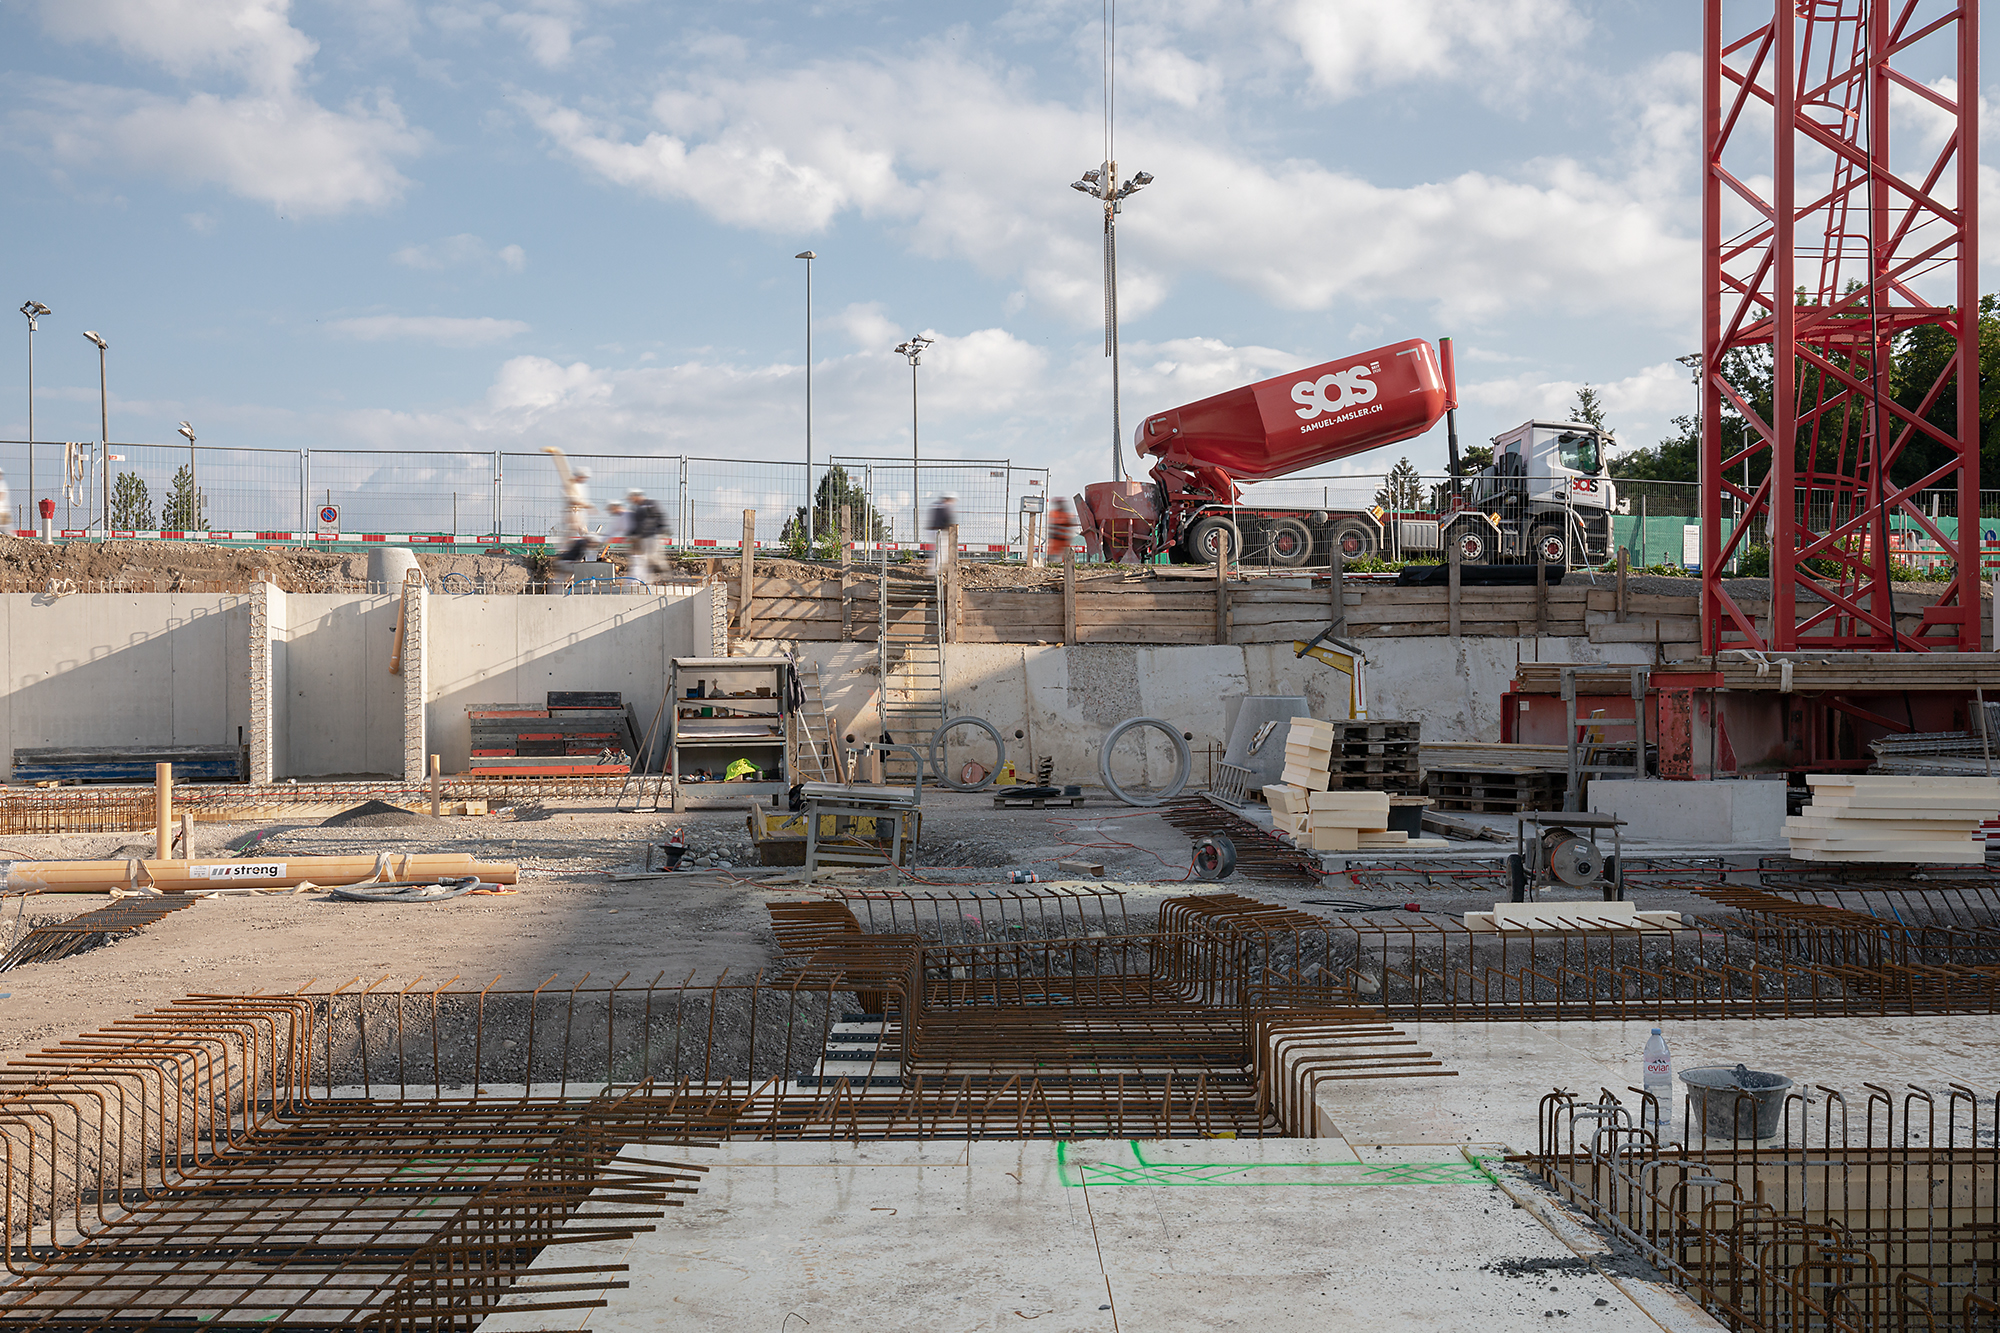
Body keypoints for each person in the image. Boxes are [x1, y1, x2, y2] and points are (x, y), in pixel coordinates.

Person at [628, 487, 668, 584]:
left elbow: (660, 516)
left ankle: (664, 574)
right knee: (645, 559)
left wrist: (662, 530)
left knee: (652, 557)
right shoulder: (637, 509)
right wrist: (633, 535)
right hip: (643, 538)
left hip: (652, 535)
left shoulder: (650, 504)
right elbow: (636, 524)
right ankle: (648, 580)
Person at [559, 466, 595, 563]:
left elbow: (581, 501)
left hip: (579, 514)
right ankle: (565, 558)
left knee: (586, 537)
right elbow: (570, 498)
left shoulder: (582, 487)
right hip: (571, 514)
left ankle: (589, 560)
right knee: (567, 538)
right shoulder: (569, 485)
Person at [925, 491, 959, 575]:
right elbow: (948, 519)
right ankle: (934, 571)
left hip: (933, 530)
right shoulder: (946, 507)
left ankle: (935, 569)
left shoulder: (937, 505)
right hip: (939, 531)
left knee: (938, 550)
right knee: (940, 551)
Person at [1046, 495, 1079, 562]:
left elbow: (1072, 523)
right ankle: (1051, 564)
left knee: (1066, 555)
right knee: (1052, 555)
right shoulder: (1055, 513)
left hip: (1064, 540)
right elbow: (1054, 524)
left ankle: (1065, 565)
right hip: (1056, 540)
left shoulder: (1067, 514)